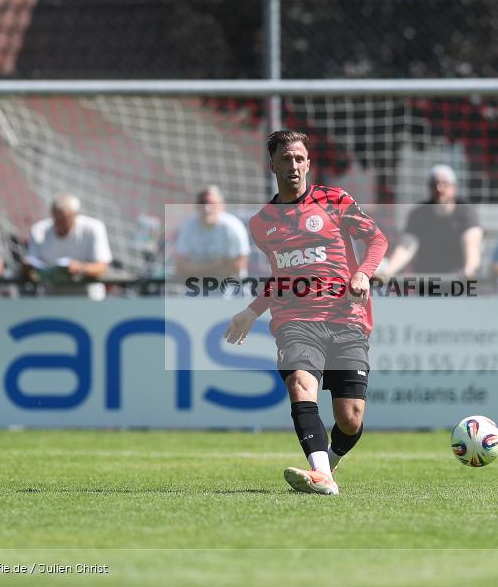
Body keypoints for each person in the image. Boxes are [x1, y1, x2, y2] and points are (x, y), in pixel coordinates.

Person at [223, 130, 388, 496]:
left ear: (309, 163)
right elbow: (282, 277)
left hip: (347, 319)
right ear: (273, 165)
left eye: (299, 159)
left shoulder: (335, 200)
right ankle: (321, 474)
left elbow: (378, 239)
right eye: (286, 159)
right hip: (295, 321)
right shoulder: (262, 223)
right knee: (301, 387)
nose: (293, 165)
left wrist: (362, 272)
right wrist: (252, 311)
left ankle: (328, 463)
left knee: (350, 417)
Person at [378, 164, 482, 278]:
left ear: (454, 187)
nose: (439, 188)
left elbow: (472, 242)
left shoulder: (466, 211)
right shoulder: (418, 214)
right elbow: (406, 247)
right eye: (435, 184)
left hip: (458, 282)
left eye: (445, 184)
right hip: (426, 283)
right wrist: (388, 271)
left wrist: (470, 269)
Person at [25, 194, 113, 299]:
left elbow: (102, 267)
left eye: (65, 218)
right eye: (57, 218)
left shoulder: (93, 228)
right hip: (51, 300)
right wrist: (27, 266)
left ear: (75, 215)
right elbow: (30, 265)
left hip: (88, 300)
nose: (60, 222)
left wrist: (81, 268)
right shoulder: (39, 230)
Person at [173, 186, 250, 286]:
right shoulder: (188, 227)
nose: (206, 208)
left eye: (212, 203)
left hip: (231, 292)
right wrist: (217, 266)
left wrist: (195, 270)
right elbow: (181, 268)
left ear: (222, 206)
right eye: (202, 203)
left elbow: (237, 265)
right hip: (198, 292)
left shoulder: (233, 227)